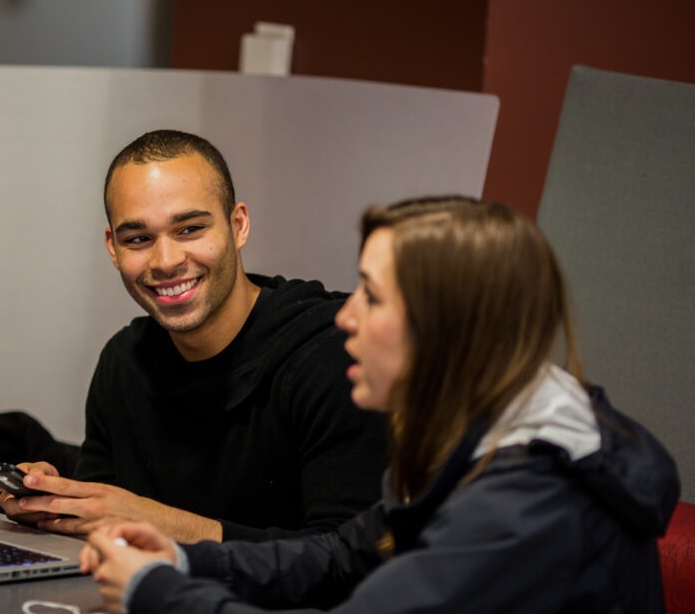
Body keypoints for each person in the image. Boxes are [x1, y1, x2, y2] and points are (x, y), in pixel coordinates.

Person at [79, 196, 681, 613]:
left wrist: (153, 592)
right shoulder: (470, 438)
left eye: (372, 295)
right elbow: (342, 555)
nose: (345, 315)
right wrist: (188, 564)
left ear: (442, 328)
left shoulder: (525, 504)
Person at [0, 129, 388, 543]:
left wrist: (153, 521)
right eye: (138, 239)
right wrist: (58, 504)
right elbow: (104, 532)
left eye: (189, 229)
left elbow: (347, 561)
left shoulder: (335, 354)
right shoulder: (124, 361)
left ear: (238, 225)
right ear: (112, 248)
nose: (167, 261)